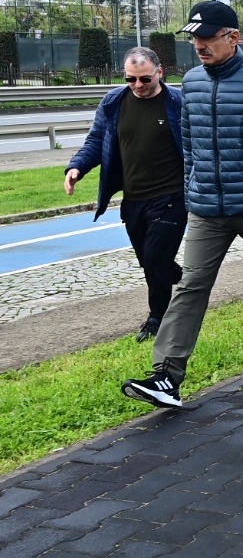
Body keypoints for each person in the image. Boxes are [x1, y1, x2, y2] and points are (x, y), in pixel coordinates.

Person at [120, 1, 243, 409]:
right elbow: (188, 144)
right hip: (207, 208)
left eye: (207, 37)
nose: (199, 44)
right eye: (195, 38)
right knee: (190, 286)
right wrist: (193, 193)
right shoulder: (190, 81)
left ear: (233, 38)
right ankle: (166, 376)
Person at [65, 46, 185, 342]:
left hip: (171, 196)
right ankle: (172, 272)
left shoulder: (177, 103)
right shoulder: (114, 102)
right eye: (131, 79)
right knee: (149, 260)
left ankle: (157, 317)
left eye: (145, 79)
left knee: (155, 258)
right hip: (133, 198)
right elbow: (96, 139)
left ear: (159, 72)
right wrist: (77, 167)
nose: (138, 86)